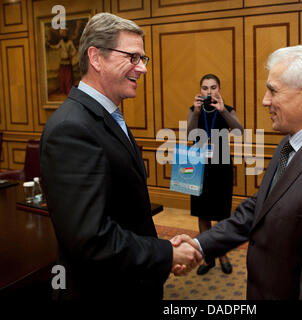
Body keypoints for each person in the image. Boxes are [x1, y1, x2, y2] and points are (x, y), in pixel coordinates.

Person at [173, 45, 302, 299]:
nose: (265, 100)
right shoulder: (289, 144)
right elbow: (259, 208)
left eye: (273, 90)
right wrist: (200, 244)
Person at [40, 12, 201, 301]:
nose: (142, 69)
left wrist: (159, 250)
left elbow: (123, 213)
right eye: (133, 57)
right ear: (96, 58)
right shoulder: (72, 128)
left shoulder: (106, 116)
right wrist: (167, 253)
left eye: (143, 59)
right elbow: (90, 240)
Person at [187, 74, 243, 275]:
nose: (209, 91)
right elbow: (190, 134)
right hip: (199, 166)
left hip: (221, 166)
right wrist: (196, 112)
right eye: (204, 88)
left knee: (221, 214)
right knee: (202, 213)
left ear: (219, 89)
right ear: (200, 90)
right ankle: (207, 256)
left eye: (213, 87)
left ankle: (223, 254)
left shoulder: (227, 109)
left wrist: (222, 111)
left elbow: (239, 130)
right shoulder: (194, 110)